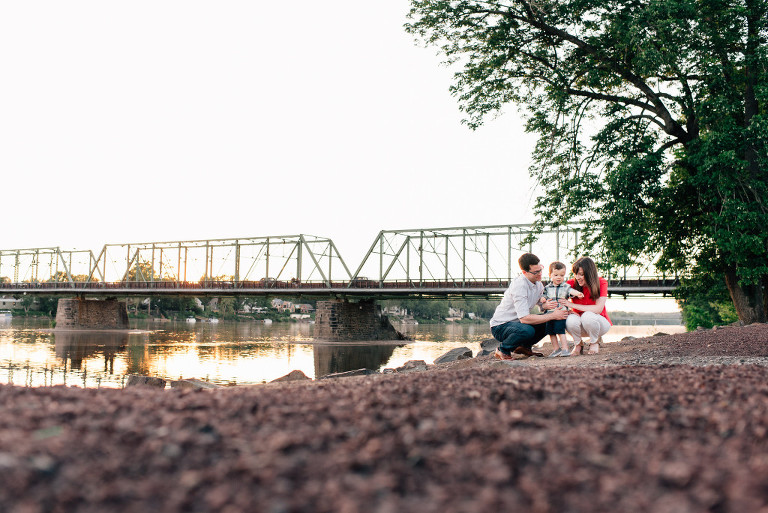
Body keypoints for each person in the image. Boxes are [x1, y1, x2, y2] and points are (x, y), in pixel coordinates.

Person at [490, 253, 569, 360]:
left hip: (518, 323)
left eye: (541, 269)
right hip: (500, 326)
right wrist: (553, 315)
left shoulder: (538, 284)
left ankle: (524, 347)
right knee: (527, 330)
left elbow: (541, 305)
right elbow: (524, 318)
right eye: (536, 272)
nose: (540, 274)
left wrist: (546, 305)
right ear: (524, 272)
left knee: (548, 322)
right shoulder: (519, 286)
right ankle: (503, 350)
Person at [559, 257, 612, 355]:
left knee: (587, 316)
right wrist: (567, 310)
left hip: (599, 324)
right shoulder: (570, 284)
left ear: (589, 273)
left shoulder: (601, 282)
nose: (577, 277)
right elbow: (558, 300)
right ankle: (578, 344)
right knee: (570, 319)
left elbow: (598, 309)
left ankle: (594, 342)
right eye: (575, 274)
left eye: (581, 274)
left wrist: (572, 304)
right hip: (580, 324)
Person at [542, 261, 584, 357]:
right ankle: (556, 349)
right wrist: (542, 299)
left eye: (562, 275)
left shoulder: (565, 287)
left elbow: (571, 291)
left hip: (561, 314)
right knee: (551, 333)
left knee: (560, 331)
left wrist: (578, 293)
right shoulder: (547, 288)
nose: (559, 277)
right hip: (549, 314)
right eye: (556, 275)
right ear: (550, 275)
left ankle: (565, 349)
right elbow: (543, 296)